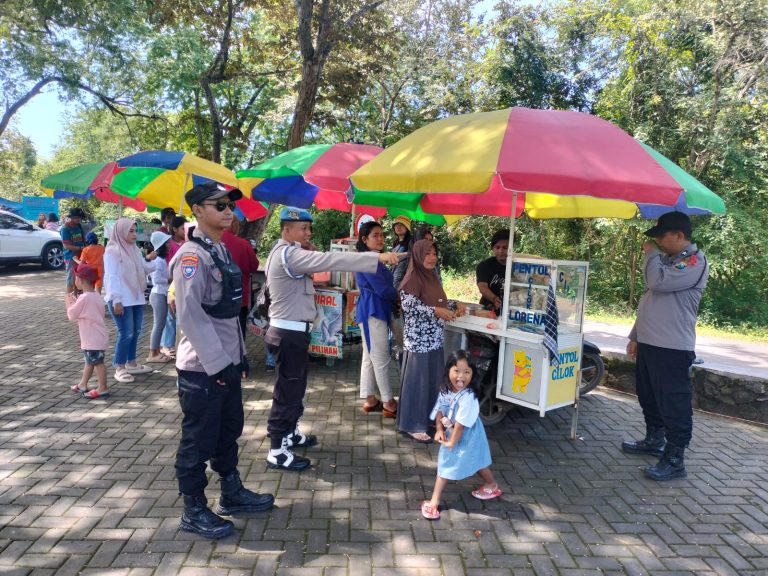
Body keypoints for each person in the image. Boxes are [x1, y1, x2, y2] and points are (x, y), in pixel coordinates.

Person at [263, 207, 401, 471]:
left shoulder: (285, 252)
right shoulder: (289, 254)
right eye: (303, 229)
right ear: (286, 229)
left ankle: (290, 433)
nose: (308, 233)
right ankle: (277, 450)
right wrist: (376, 257)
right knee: (287, 392)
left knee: (295, 389)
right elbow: (332, 261)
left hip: (291, 331)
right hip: (288, 333)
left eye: (309, 228)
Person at [172, 181, 273, 539]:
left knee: (228, 431)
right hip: (202, 369)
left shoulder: (221, 250)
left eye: (230, 205)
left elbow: (230, 315)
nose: (228, 211)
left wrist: (241, 357)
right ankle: (193, 510)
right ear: (198, 210)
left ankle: (230, 493)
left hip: (225, 364)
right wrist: (218, 364)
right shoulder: (191, 257)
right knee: (198, 440)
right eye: (219, 206)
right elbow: (190, 315)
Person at [622, 211, 709, 481]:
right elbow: (650, 301)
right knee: (647, 395)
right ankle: (654, 439)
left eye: (661, 236)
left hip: (672, 348)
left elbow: (656, 283)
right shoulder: (668, 261)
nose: (657, 241)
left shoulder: (694, 262)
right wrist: (635, 335)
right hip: (650, 343)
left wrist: (650, 254)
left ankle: (674, 458)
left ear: (679, 235)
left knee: (674, 403)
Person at [397, 239, 464, 443]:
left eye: (434, 254)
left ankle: (426, 419)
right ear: (418, 255)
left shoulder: (432, 277)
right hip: (418, 341)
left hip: (434, 339)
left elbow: (437, 301)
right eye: (427, 254)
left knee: (433, 381)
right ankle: (411, 424)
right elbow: (410, 307)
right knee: (417, 382)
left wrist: (455, 303)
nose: (432, 258)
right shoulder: (411, 279)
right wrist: (436, 311)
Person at [421, 350, 501, 520]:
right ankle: (491, 485)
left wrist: (451, 442)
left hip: (467, 434)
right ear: (448, 370)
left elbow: (461, 425)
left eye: (467, 372)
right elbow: (440, 410)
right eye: (457, 371)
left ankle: (434, 502)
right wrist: (440, 429)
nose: (461, 376)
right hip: (455, 432)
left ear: (473, 374)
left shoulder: (469, 397)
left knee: (459, 461)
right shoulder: (445, 390)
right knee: (475, 461)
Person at [103, 218, 157, 383]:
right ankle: (119, 367)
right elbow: (111, 277)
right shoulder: (112, 251)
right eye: (131, 231)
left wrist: (156, 259)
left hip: (137, 297)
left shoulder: (134, 249)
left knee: (137, 332)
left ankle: (131, 362)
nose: (135, 234)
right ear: (121, 232)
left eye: (135, 231)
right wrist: (116, 300)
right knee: (126, 333)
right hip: (121, 300)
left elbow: (143, 268)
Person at [355, 221, 399, 418]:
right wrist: (400, 296)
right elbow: (383, 289)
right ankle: (389, 402)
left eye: (382, 235)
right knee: (380, 357)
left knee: (370, 357)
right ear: (365, 239)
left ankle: (370, 398)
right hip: (373, 312)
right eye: (376, 235)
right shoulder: (367, 259)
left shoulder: (374, 259)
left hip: (373, 310)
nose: (381, 238)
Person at [65, 264, 109, 400]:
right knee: (90, 361)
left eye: (76, 278)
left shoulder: (84, 298)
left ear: (81, 280)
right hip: (95, 336)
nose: (75, 281)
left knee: (97, 362)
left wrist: (69, 302)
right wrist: (76, 302)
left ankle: (103, 387)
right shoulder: (95, 295)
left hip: (92, 338)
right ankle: (83, 384)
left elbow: (72, 315)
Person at [221, 216, 259, 339]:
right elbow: (254, 266)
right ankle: (239, 355)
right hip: (239, 296)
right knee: (239, 331)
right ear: (234, 225)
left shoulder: (211, 242)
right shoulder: (243, 244)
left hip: (216, 296)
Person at [161, 216, 187, 358]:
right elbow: (167, 264)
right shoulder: (169, 244)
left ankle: (175, 344)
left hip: (180, 282)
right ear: (175, 229)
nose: (185, 231)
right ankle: (167, 345)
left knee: (177, 315)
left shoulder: (185, 244)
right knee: (170, 316)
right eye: (183, 228)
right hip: (171, 282)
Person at [147, 231, 173, 363]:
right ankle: (152, 353)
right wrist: (169, 279)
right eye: (167, 243)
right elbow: (156, 279)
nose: (169, 245)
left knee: (161, 324)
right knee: (158, 324)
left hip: (161, 293)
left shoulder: (161, 260)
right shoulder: (157, 261)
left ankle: (156, 351)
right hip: (158, 293)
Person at [476, 229, 509, 316]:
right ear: (493, 248)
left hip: (510, 312)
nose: (501, 251)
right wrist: (494, 299)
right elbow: (482, 287)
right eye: (497, 247)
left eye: (505, 247)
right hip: (487, 310)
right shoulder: (484, 265)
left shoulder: (517, 267)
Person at [61, 208, 86, 294]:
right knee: (71, 280)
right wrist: (79, 248)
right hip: (70, 257)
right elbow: (66, 245)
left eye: (79, 218)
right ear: (71, 217)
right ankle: (70, 300)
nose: (78, 219)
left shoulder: (79, 226)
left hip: (80, 257)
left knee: (78, 280)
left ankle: (76, 299)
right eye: (76, 218)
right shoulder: (65, 229)